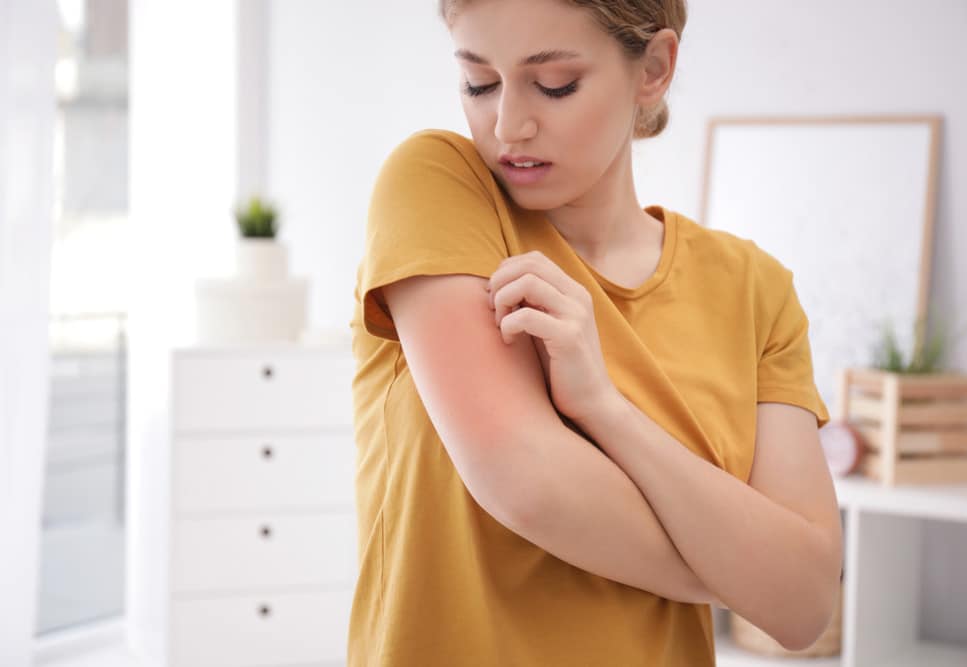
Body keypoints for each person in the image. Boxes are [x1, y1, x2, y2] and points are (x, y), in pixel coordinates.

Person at [348, 0, 843, 664]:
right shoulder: (437, 186)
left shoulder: (754, 290)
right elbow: (529, 485)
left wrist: (604, 408)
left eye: (554, 84)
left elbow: (807, 604)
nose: (508, 125)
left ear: (655, 68)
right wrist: (749, 570)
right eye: (479, 82)